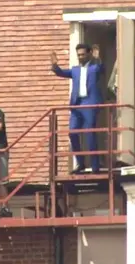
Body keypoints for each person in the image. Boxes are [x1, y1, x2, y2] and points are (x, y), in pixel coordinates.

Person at [51, 43, 103, 174]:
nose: (80, 57)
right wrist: (54, 65)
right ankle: (80, 163)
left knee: (89, 133)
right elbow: (61, 73)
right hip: (76, 105)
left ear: (89, 54)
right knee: (72, 132)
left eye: (83, 54)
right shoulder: (75, 70)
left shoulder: (94, 67)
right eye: (78, 55)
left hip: (89, 103)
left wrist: (97, 58)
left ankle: (95, 166)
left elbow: (101, 68)